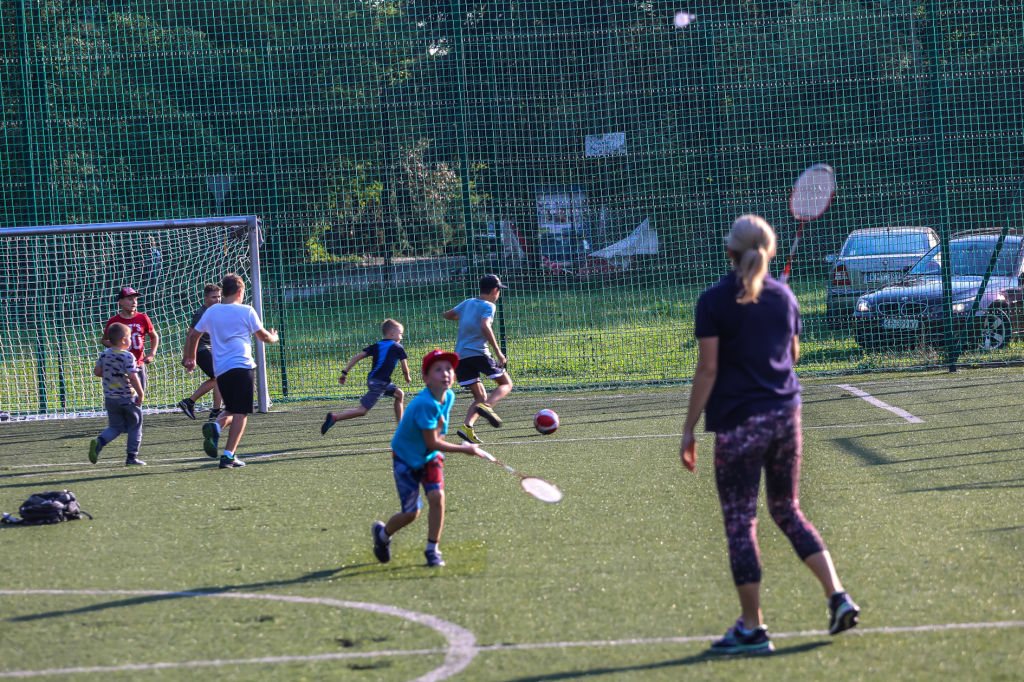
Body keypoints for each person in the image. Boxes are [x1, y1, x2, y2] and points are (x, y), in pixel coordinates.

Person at [680, 215, 860, 655]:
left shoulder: (714, 300)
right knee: (788, 510)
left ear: (729, 251)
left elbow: (708, 369)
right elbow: (791, 355)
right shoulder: (784, 296)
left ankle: (752, 628)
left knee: (741, 521)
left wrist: (688, 428)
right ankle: (838, 596)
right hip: (786, 416)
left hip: (741, 421)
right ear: (770, 251)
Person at [371, 350, 483, 568]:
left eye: (449, 369)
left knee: (437, 497)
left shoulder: (448, 396)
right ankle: (382, 535)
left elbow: (439, 433)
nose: (446, 373)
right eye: (438, 369)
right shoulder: (425, 404)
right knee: (411, 513)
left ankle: (432, 550)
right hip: (405, 458)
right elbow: (432, 442)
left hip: (429, 456)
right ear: (426, 378)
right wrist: (464, 449)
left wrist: (439, 452)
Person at [182, 273, 279, 469]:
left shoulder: (211, 311)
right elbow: (263, 337)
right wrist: (274, 337)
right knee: (241, 412)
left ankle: (216, 426)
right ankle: (228, 455)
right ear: (240, 291)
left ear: (223, 292)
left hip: (221, 370)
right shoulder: (246, 310)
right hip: (242, 366)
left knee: (231, 409)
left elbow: (193, 336)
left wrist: (191, 358)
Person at [443, 274, 513, 444]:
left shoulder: (467, 303)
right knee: (506, 384)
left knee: (480, 396)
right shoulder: (489, 306)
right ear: (495, 290)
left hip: (460, 357)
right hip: (478, 353)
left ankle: (467, 427)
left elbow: (447, 315)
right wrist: (498, 351)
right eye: (499, 291)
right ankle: (487, 407)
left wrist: (467, 316)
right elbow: (484, 325)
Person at [321, 319, 411, 434]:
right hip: (380, 383)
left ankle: (401, 426)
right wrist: (407, 377)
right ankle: (334, 418)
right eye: (400, 334)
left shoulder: (377, 345)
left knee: (399, 394)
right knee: (362, 411)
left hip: (376, 381)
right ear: (392, 332)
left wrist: (345, 372)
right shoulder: (397, 347)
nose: (401, 337)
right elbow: (404, 366)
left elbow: (357, 357)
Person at [89, 322, 146, 466]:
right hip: (127, 398)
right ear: (123, 340)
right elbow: (133, 377)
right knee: (135, 426)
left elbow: (97, 372)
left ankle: (100, 441)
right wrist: (140, 393)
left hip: (110, 398)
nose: (130, 340)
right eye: (129, 337)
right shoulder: (128, 356)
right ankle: (132, 457)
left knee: (115, 427)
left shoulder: (105, 354)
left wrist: (110, 374)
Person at [177, 284, 224, 421]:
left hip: (211, 348)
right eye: (214, 297)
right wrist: (188, 357)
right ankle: (215, 412)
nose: (217, 299)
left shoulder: (218, 310)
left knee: (216, 378)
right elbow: (190, 335)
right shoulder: (201, 313)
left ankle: (189, 402)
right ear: (206, 298)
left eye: (219, 297)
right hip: (200, 349)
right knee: (220, 377)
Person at [102, 287, 159, 391]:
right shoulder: (114, 321)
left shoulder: (143, 318)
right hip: (119, 365)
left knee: (139, 395)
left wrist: (152, 354)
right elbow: (104, 340)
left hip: (138, 365)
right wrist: (118, 347)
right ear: (121, 302)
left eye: (135, 299)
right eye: (130, 299)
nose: (134, 302)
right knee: (121, 395)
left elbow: (154, 336)